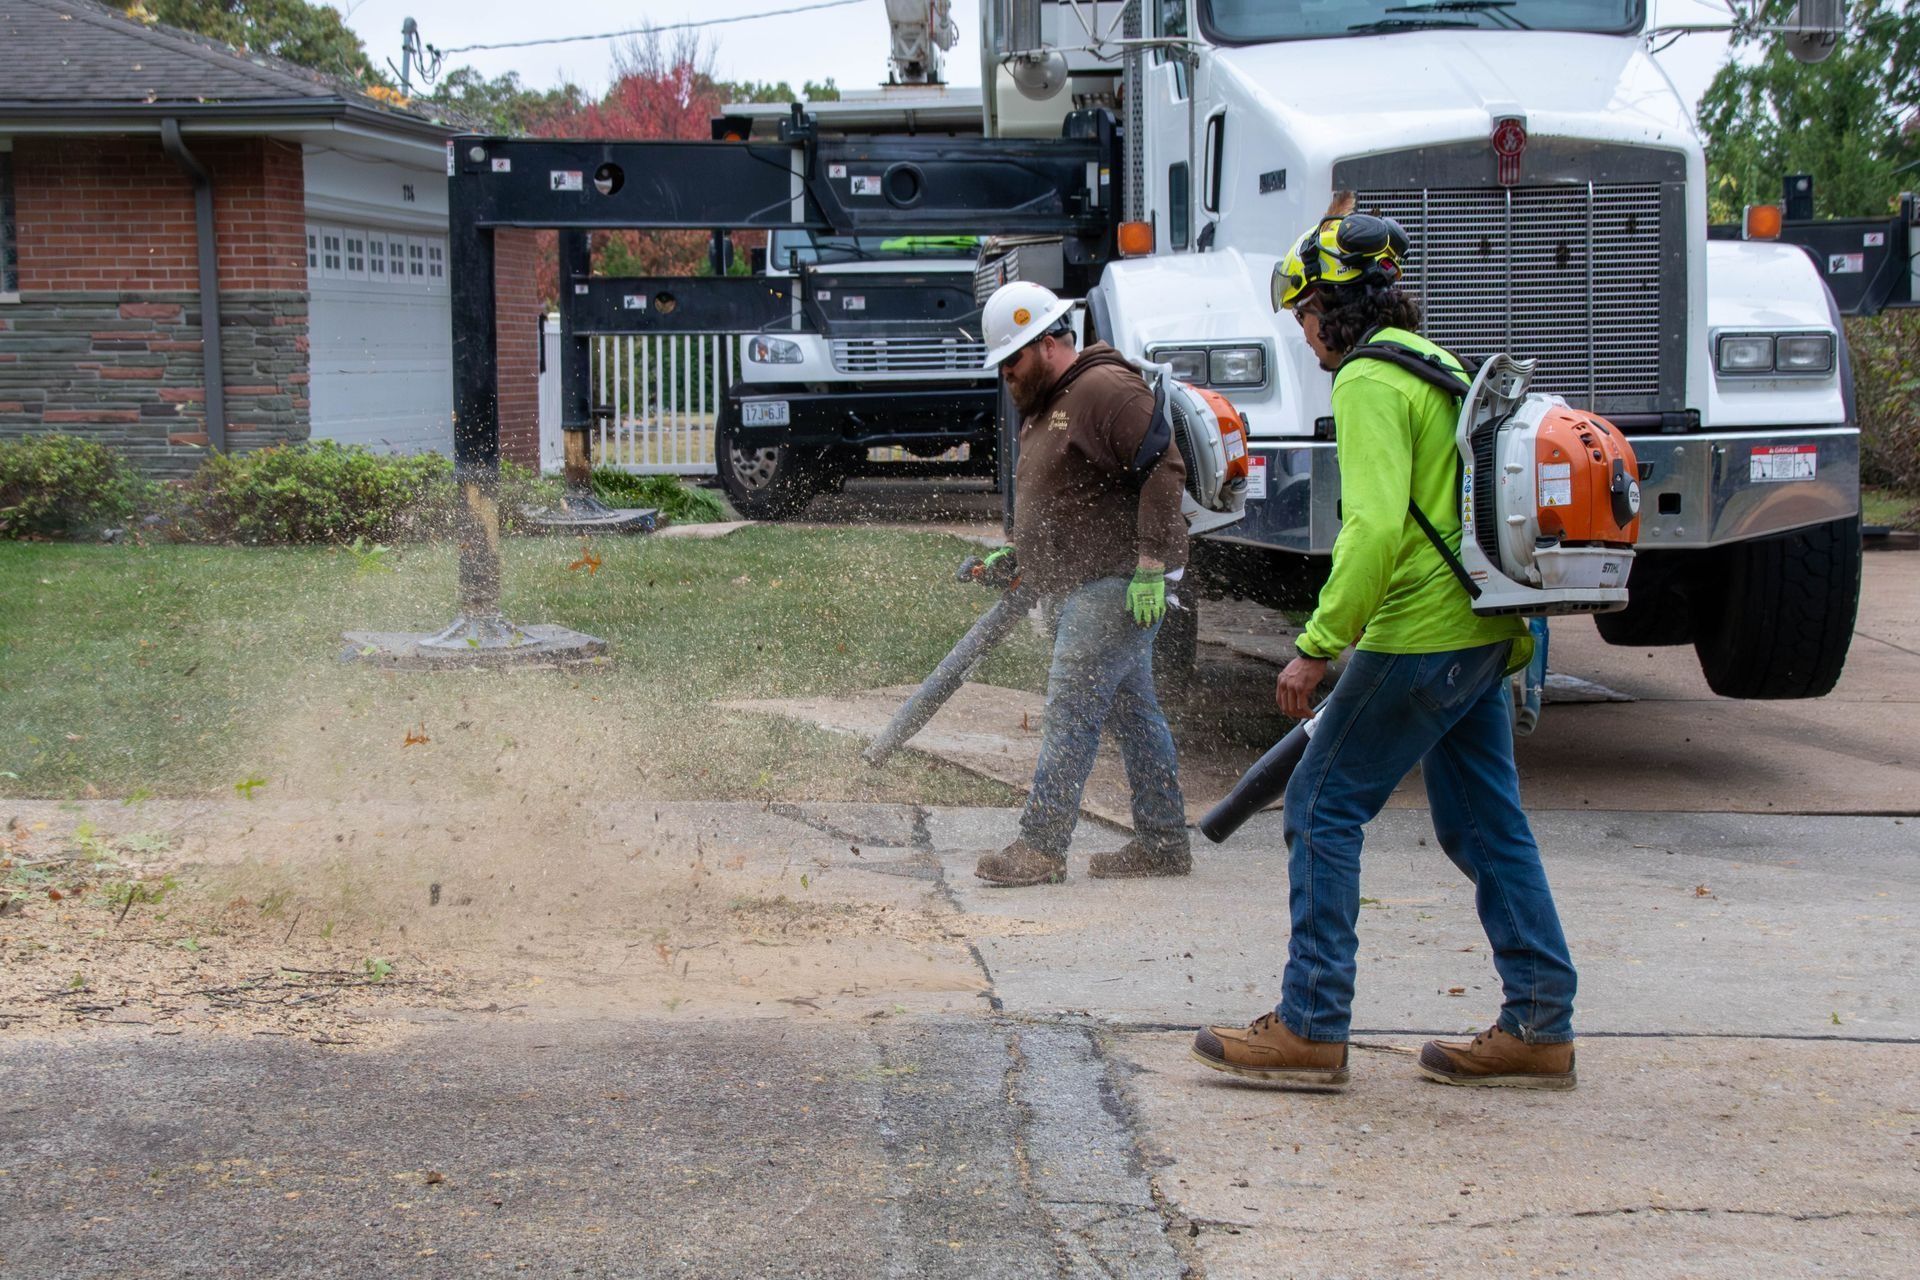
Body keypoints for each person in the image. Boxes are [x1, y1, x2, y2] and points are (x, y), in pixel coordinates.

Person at [1189, 210, 1580, 1090]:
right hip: (1485, 625)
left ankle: (1311, 1024)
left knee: (1321, 804)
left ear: (1331, 308)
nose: (1305, 336)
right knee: (1485, 823)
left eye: (1304, 316)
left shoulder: (1369, 378)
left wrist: (1317, 644)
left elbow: (1370, 528)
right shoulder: (1434, 363)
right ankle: (1540, 1022)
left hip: (1421, 631)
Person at [971, 281, 1191, 888]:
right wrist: (1019, 555)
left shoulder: (1104, 388)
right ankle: (1164, 842)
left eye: (1012, 361)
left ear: (1046, 344)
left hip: (1117, 583)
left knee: (1070, 704)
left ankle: (1041, 847)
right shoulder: (1049, 401)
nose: (1007, 376)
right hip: (1083, 581)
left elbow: (1164, 468)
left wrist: (1151, 564)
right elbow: (1067, 497)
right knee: (1135, 712)